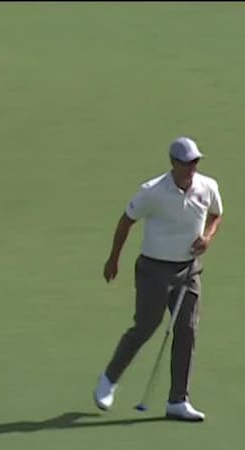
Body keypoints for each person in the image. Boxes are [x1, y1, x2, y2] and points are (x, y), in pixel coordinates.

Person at [94, 136, 223, 421]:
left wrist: (208, 239)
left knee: (187, 329)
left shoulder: (208, 187)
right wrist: (113, 259)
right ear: (174, 163)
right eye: (187, 162)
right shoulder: (152, 191)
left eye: (195, 162)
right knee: (147, 325)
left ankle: (178, 400)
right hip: (154, 269)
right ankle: (109, 378)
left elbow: (216, 215)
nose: (192, 167)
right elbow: (126, 221)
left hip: (189, 269)